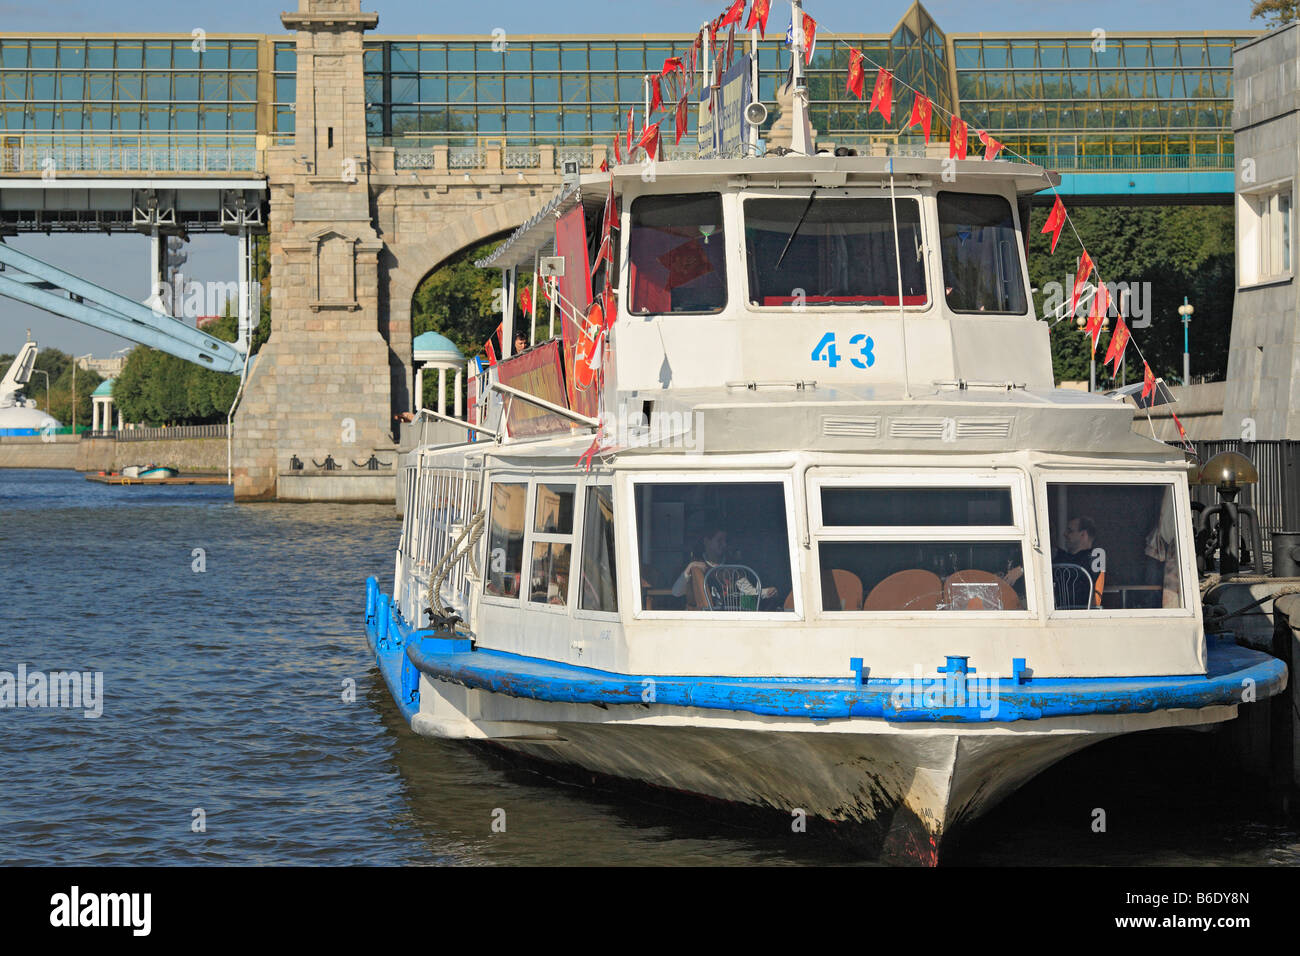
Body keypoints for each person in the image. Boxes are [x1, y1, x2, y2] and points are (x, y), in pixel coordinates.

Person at [1003, 515, 1105, 608]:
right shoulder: (1060, 555)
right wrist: (1021, 569)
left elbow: (1097, 588)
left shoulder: (1096, 555)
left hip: (1081, 615)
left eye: (1070, 531)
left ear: (1083, 534)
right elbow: (1041, 559)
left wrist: (1091, 613)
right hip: (1055, 613)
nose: (1064, 534)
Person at [672, 528, 777, 608]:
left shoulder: (733, 567)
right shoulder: (695, 566)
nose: (724, 544)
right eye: (719, 540)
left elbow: (749, 591)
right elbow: (676, 593)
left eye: (725, 540)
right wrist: (688, 569)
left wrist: (766, 592)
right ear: (706, 541)